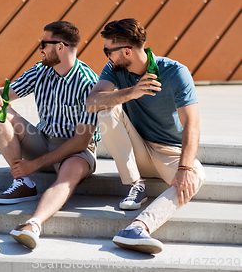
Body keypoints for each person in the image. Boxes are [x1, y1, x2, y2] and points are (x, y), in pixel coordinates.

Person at [86, 18, 206, 254]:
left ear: (127, 51)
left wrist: (184, 169)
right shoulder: (114, 70)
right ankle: (135, 183)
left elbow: (192, 123)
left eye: (108, 50)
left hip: (169, 151)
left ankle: (139, 227)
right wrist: (132, 92)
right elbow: (92, 102)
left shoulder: (175, 72)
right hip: (137, 148)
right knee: (106, 110)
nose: (107, 56)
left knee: (196, 175)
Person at [0, 21, 99, 250]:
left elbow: (82, 141)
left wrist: (34, 164)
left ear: (61, 47)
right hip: (42, 140)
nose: (40, 49)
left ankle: (33, 225)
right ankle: (23, 181)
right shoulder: (41, 70)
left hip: (74, 150)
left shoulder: (89, 83)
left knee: (70, 174)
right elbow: (7, 95)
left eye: (43, 44)